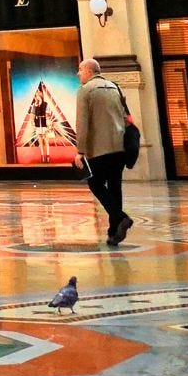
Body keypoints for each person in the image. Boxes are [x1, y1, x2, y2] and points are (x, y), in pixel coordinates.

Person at [75, 57, 135, 245]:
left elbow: (82, 123)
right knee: (115, 187)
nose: (78, 73)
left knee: (95, 183)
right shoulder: (114, 87)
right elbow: (126, 117)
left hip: (99, 149)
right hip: (119, 147)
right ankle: (113, 232)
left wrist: (80, 151)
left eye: (80, 69)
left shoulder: (85, 91)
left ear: (89, 71)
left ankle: (120, 216)